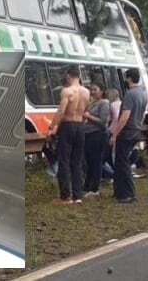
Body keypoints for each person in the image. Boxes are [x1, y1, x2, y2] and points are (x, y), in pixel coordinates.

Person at [48, 67, 89, 204]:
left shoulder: (67, 91)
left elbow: (61, 110)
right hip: (80, 126)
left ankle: (65, 196)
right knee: (77, 161)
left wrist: (52, 126)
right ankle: (78, 195)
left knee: (64, 160)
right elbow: (84, 111)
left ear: (69, 76)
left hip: (67, 125)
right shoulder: (86, 92)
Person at [109, 68, 147, 203]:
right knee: (120, 163)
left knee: (123, 163)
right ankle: (119, 191)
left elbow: (124, 116)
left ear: (129, 78)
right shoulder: (143, 94)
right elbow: (142, 114)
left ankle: (128, 193)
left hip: (126, 132)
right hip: (135, 130)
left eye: (126, 78)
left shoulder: (130, 94)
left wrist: (115, 134)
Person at [82, 82, 110, 197]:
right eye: (91, 90)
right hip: (87, 134)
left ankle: (95, 188)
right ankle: (87, 185)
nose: (92, 92)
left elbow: (103, 122)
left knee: (96, 161)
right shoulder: (91, 103)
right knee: (88, 161)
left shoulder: (104, 103)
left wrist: (89, 117)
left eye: (95, 90)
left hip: (98, 134)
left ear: (101, 91)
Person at [102, 88, 121, 179]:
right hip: (121, 132)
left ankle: (113, 174)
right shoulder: (122, 104)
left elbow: (110, 119)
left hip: (112, 131)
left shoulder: (112, 105)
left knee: (106, 156)